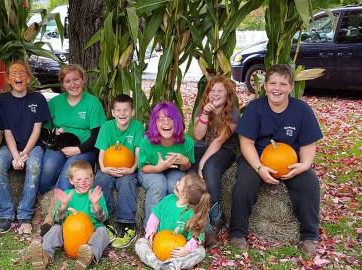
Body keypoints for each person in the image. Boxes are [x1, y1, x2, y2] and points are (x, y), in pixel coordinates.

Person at [229, 64, 323, 256]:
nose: (277, 88)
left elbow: (308, 143)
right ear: (265, 86)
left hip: (290, 161)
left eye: (283, 84)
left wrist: (304, 165)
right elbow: (246, 142)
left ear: (290, 87)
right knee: (244, 184)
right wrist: (259, 167)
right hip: (258, 157)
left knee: (310, 183)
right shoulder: (255, 108)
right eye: (272, 83)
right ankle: (237, 233)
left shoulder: (302, 110)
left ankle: (309, 236)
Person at [0, 60, 51, 234]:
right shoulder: (2, 100)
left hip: (33, 146)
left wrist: (24, 154)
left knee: (33, 166)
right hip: (10, 146)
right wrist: (15, 156)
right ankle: (6, 214)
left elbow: (37, 129)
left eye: (22, 73)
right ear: (8, 79)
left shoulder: (38, 99)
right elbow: (7, 131)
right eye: (14, 74)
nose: (18, 77)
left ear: (29, 77)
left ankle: (25, 214)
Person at [27, 160, 110, 270]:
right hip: (69, 235)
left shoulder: (96, 194)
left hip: (91, 234)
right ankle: (45, 255)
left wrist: (95, 204)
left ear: (92, 178)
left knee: (103, 231)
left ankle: (89, 256)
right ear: (71, 180)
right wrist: (63, 205)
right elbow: (57, 219)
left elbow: (103, 219)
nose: (83, 182)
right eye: (78, 179)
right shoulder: (67, 194)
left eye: (87, 179)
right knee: (56, 228)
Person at [38, 64, 106, 193]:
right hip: (59, 147)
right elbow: (44, 131)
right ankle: (41, 203)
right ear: (62, 85)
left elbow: (98, 136)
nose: (73, 84)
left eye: (76, 79)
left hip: (85, 148)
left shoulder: (92, 103)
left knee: (70, 170)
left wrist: (78, 149)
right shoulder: (54, 103)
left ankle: (56, 207)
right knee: (48, 168)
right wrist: (53, 133)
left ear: (83, 80)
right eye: (68, 81)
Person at [192, 75, 239, 246]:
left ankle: (215, 218)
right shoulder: (202, 108)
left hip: (225, 149)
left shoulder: (233, 112)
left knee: (210, 168)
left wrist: (203, 162)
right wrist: (204, 113)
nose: (216, 94)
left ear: (227, 94)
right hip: (201, 146)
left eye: (220, 90)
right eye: (213, 90)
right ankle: (194, 219)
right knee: (190, 174)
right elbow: (198, 135)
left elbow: (219, 140)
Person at [93, 94, 144, 248]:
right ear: (113, 112)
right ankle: (105, 220)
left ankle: (127, 225)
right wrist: (104, 168)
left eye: (126, 110)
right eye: (119, 110)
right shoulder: (107, 127)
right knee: (101, 180)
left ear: (132, 112)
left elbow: (138, 152)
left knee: (127, 182)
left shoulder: (137, 127)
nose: (122, 114)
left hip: (128, 168)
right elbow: (101, 153)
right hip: (108, 167)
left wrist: (132, 169)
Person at [135, 173, 210, 270]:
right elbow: (154, 217)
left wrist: (187, 249)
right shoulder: (168, 200)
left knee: (200, 252)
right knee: (141, 243)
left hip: (179, 251)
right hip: (159, 244)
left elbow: (197, 237)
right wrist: (151, 232)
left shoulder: (191, 213)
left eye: (180, 183)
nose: (177, 183)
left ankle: (175, 264)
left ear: (184, 194)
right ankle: (157, 264)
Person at [138, 102, 194, 225]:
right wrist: (159, 168)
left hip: (175, 171)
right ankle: (150, 228)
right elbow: (142, 167)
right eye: (161, 119)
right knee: (158, 184)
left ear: (177, 121)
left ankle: (174, 224)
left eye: (170, 118)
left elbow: (187, 167)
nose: (166, 123)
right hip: (150, 170)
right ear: (154, 123)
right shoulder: (147, 141)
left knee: (175, 185)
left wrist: (185, 162)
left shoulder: (187, 142)